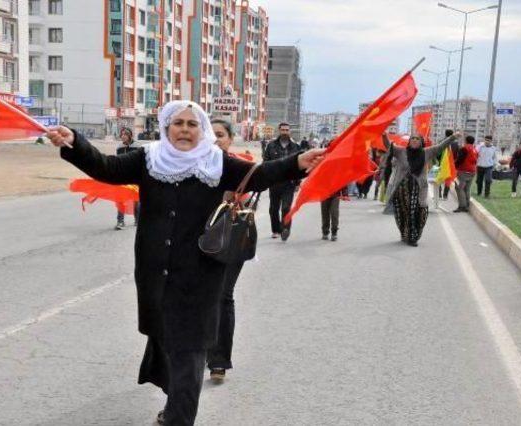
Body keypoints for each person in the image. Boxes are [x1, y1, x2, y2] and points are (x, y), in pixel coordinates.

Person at [47, 100, 325, 426]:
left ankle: (178, 417)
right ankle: (174, 402)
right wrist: (74, 143)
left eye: (192, 124)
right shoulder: (149, 159)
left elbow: (259, 175)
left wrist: (297, 162)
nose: (184, 130)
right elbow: (106, 167)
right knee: (166, 340)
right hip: (156, 274)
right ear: (166, 127)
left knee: (190, 350)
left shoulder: (216, 162)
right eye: (177, 123)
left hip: (200, 277)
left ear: (202, 130)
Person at [206, 118, 246, 383]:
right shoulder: (190, 165)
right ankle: (194, 351)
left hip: (231, 237)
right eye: (209, 134)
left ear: (230, 138)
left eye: (220, 134)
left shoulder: (238, 168)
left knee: (222, 296)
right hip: (198, 239)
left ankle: (218, 361)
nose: (215, 139)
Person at [383, 132, 458, 247]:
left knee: (419, 212)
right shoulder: (401, 151)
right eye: (412, 138)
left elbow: (441, 146)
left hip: (419, 189)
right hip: (401, 190)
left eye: (417, 139)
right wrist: (384, 135)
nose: (414, 140)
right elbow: (389, 146)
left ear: (421, 141)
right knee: (402, 214)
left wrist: (452, 137)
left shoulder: (427, 152)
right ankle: (405, 233)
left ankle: (413, 237)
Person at [263, 122, 301, 241]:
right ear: (279, 131)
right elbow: (265, 162)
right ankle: (275, 230)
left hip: (289, 183)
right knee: (273, 209)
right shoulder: (271, 146)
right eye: (283, 130)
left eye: (287, 130)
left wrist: (298, 182)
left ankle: (285, 229)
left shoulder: (295, 147)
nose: (285, 132)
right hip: (274, 182)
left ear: (289, 131)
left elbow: (299, 165)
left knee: (286, 208)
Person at [114, 127, 141, 230]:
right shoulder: (119, 147)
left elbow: (140, 162)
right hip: (122, 177)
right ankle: (120, 221)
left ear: (129, 135)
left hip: (134, 178)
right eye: (122, 134)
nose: (123, 136)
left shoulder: (137, 147)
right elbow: (117, 162)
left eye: (125, 134)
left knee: (136, 200)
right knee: (120, 199)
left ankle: (138, 220)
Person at [454, 135, 479, 213]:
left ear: (466, 140)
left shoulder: (464, 148)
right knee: (467, 188)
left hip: (463, 171)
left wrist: (454, 166)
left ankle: (462, 206)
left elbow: (460, 159)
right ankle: (467, 205)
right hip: (472, 171)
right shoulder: (475, 149)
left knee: (459, 188)